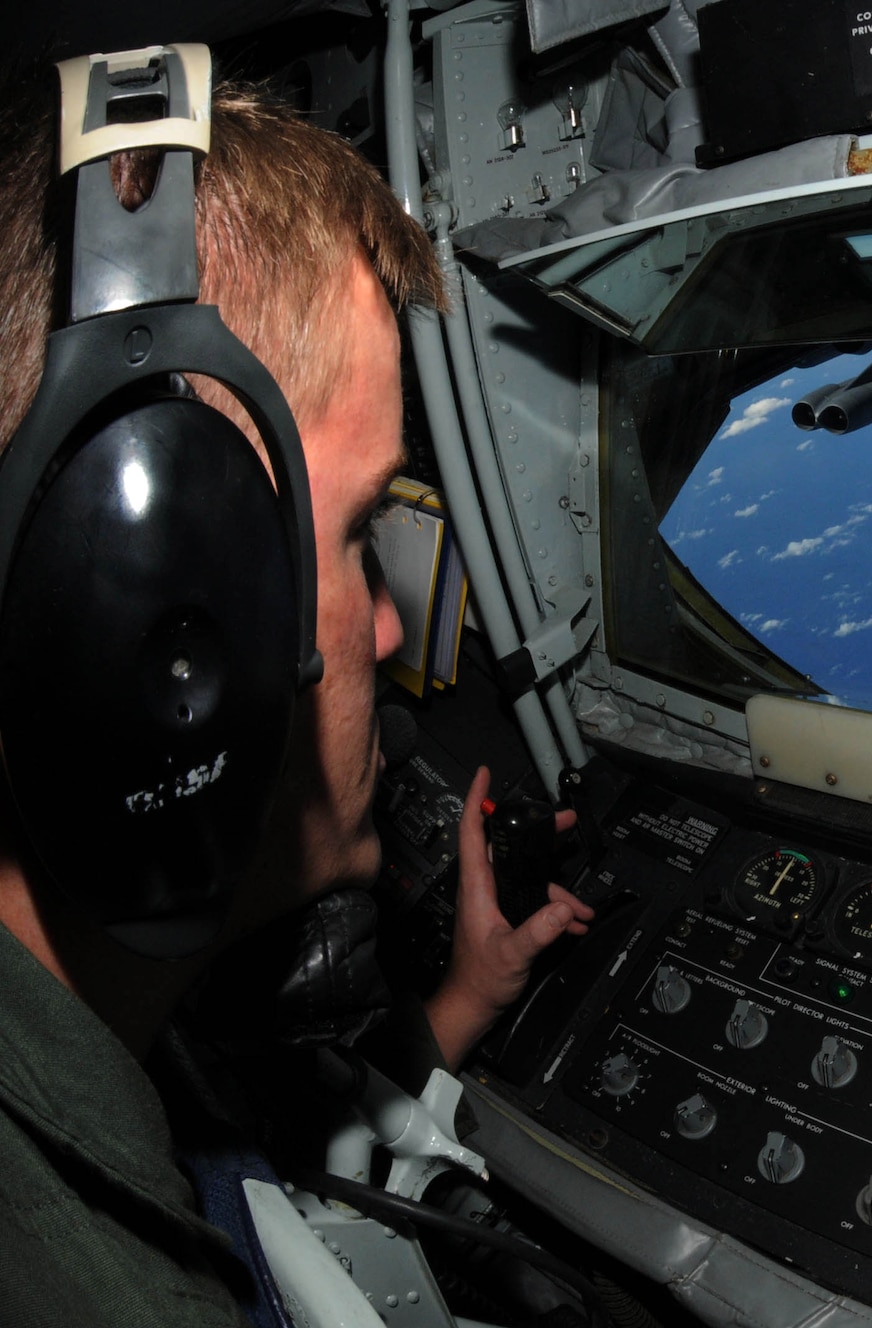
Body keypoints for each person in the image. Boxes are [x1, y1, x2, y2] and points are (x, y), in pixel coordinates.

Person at [0, 69, 592, 1321]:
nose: (388, 622)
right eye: (361, 528)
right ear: (150, 619)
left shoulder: (101, 1032)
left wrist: (457, 1005)